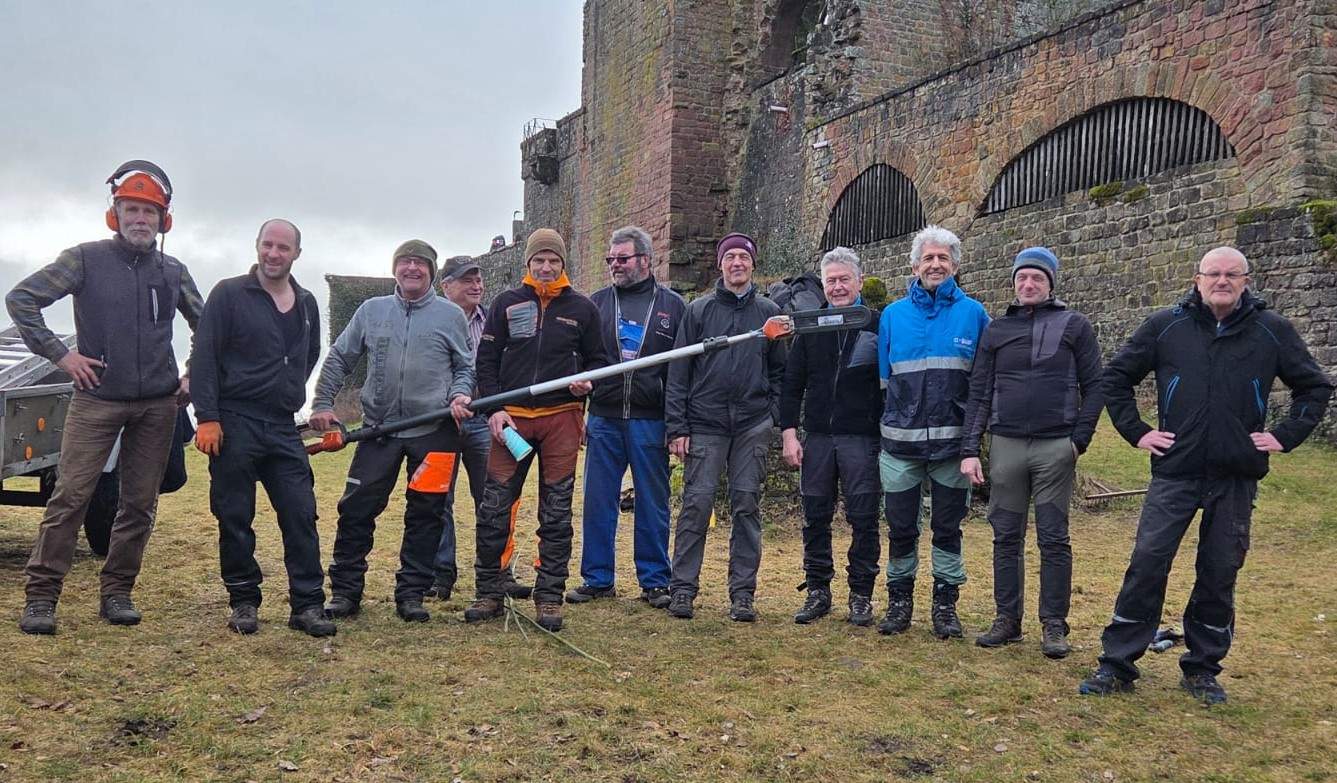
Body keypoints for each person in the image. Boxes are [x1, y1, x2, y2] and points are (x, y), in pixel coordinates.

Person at [1079, 247, 1332, 704]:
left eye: (1231, 274)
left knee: (1219, 571)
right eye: (1213, 273)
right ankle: (1116, 664)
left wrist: (1285, 435)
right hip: (1175, 471)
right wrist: (1137, 432)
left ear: (1246, 281)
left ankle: (1201, 668)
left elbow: (1313, 386)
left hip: (1235, 476)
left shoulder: (1270, 332)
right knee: (1148, 563)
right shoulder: (1165, 327)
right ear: (1197, 280)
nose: (1222, 281)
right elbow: (1115, 378)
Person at [10, 160, 202, 635]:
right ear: (114, 214)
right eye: (131, 209)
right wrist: (62, 356)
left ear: (164, 222)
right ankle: (41, 598)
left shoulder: (173, 270)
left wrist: (193, 373)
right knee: (70, 496)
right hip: (96, 400)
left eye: (149, 212)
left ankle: (118, 592)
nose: (140, 219)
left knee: (138, 504)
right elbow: (22, 300)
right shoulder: (84, 259)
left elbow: (209, 326)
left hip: (158, 405)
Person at [309, 240, 475, 624]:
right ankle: (346, 591)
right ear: (395, 268)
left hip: (435, 431)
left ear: (432, 271)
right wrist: (321, 403)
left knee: (427, 514)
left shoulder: (451, 316)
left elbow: (464, 367)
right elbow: (339, 357)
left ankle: (412, 593)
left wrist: (459, 394)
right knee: (356, 510)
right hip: (378, 431)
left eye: (420, 263)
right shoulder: (372, 311)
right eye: (405, 262)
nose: (412, 268)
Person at [190, 219, 334, 637]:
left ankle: (307, 605)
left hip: (282, 426)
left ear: (296, 254)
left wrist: (288, 391)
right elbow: (204, 356)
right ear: (257, 247)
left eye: (283, 248)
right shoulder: (230, 294)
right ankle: (243, 601)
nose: (274, 254)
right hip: (234, 422)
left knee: (301, 513)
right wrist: (209, 417)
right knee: (235, 515)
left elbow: (310, 354)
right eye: (268, 245)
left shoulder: (305, 302)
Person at [959, 247, 1103, 658]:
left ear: (1051, 282)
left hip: (1056, 445)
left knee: (1054, 537)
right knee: (1005, 534)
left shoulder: (1075, 325)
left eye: (1037, 278)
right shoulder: (997, 330)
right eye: (1021, 278)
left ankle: (1054, 624)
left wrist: (1078, 441)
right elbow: (979, 392)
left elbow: (1096, 387)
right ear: (1013, 283)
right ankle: (1007, 619)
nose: (1028, 284)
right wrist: (971, 448)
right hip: (1006, 444)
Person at [464, 229, 610, 632]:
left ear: (564, 264)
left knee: (557, 511)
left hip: (561, 417)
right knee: (494, 507)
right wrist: (493, 410)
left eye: (554, 260)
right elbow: (487, 360)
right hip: (510, 419)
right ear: (527, 264)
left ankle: (549, 597)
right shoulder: (506, 305)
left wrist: (586, 382)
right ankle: (489, 591)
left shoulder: (582, 308)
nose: (546, 267)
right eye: (539, 260)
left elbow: (599, 361)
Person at [664, 232, 785, 622]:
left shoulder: (769, 313)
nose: (737, 263)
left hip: (752, 423)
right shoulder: (697, 311)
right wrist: (677, 428)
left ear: (753, 264)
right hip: (706, 423)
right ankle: (682, 589)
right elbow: (678, 372)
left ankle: (743, 593)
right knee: (696, 505)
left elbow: (782, 371)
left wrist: (772, 416)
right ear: (720, 264)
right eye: (730, 256)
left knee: (747, 505)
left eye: (744, 257)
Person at [876, 225, 989, 639]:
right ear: (914, 265)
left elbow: (983, 383)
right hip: (900, 447)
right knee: (901, 527)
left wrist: (972, 441)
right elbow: (884, 380)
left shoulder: (975, 315)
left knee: (948, 529)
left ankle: (945, 604)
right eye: (928, 258)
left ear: (956, 265)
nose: (936, 264)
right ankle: (899, 600)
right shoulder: (892, 316)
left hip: (952, 449)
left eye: (943, 258)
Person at [566, 226, 685, 609]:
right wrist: (580, 411)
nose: (615, 265)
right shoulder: (595, 304)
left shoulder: (673, 306)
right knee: (598, 501)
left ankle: (654, 581)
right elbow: (579, 364)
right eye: (610, 259)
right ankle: (598, 579)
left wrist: (675, 422)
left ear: (645, 260)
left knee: (653, 502)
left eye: (623, 258)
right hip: (603, 418)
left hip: (651, 420)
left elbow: (681, 372)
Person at [779, 247, 883, 626]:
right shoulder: (811, 326)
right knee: (815, 516)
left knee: (864, 517)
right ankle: (818, 589)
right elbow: (792, 384)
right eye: (831, 281)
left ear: (858, 281)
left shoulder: (877, 324)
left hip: (862, 437)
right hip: (819, 435)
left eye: (843, 280)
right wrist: (789, 433)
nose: (837, 287)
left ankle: (861, 595)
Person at [428, 255, 532, 601]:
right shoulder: (432, 319)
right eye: (467, 280)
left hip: (483, 421)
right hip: (441, 422)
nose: (477, 286)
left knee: (493, 499)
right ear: (446, 286)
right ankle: (440, 575)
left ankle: (498, 571)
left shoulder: (493, 320)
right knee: (438, 498)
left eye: (479, 279)